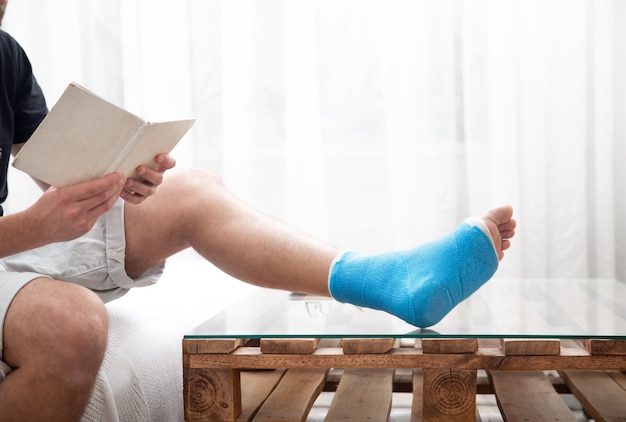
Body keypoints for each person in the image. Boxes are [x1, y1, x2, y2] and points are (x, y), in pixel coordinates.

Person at [0, 2, 516, 421]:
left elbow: (54, 169)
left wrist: (118, 181)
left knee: (191, 192)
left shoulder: (6, 55)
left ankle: (389, 280)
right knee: (72, 324)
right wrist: (31, 227)